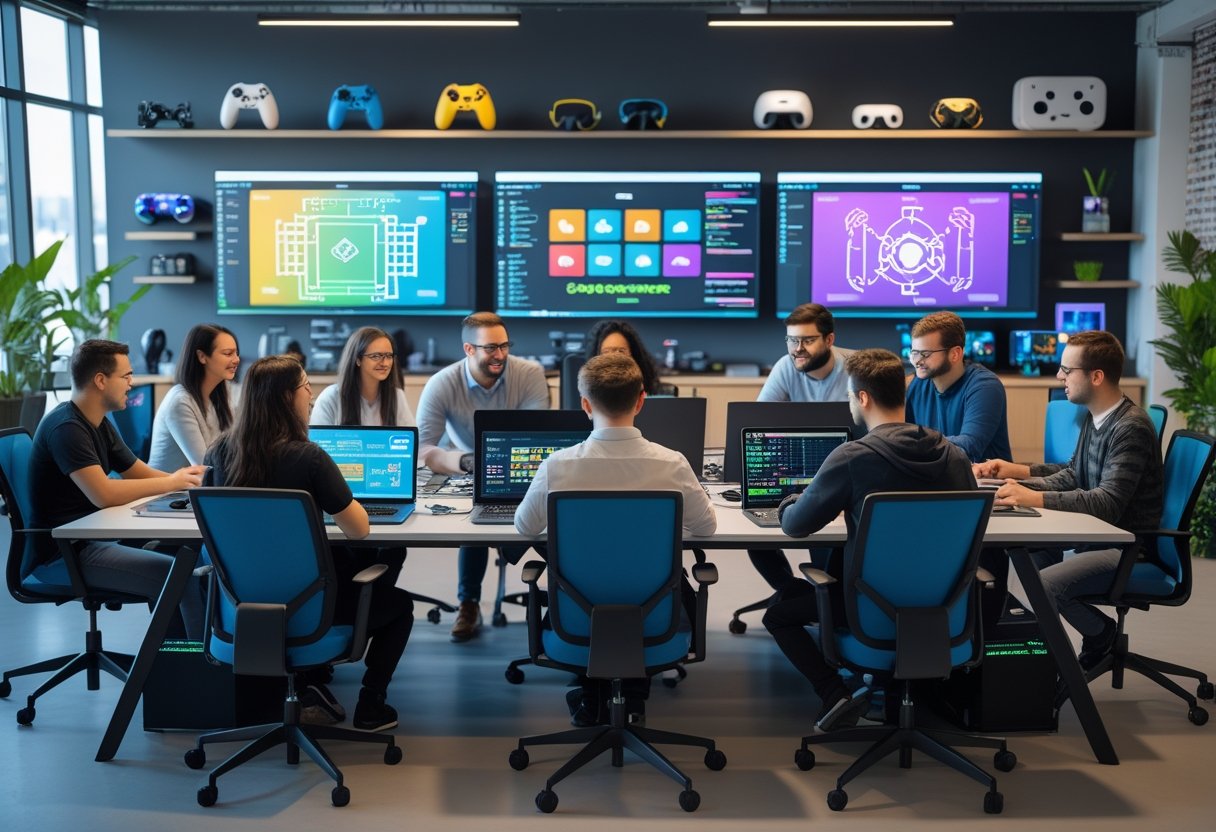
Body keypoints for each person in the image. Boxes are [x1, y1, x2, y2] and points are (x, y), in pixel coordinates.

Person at [762, 348, 976, 732]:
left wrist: (793, 498)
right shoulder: (954, 455)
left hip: (870, 609)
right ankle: (923, 697)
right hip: (944, 609)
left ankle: (834, 694)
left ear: (863, 398)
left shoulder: (853, 456)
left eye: (849, 396)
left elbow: (795, 525)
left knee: (778, 615)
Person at [203, 355, 413, 732]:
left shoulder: (217, 453)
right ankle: (371, 704)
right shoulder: (309, 457)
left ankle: (310, 682)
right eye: (305, 387)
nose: (311, 395)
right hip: (309, 612)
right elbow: (359, 529)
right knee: (398, 604)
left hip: (240, 612)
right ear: (288, 397)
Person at [515, 353, 716, 725]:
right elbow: (705, 528)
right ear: (641, 401)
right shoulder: (672, 463)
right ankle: (633, 700)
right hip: (656, 623)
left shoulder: (557, 466)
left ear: (585, 405)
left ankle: (591, 698)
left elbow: (524, 527)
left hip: (576, 623)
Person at [974, 330, 1163, 671]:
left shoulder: (1130, 428)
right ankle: (1040, 663)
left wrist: (1035, 496)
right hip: (1096, 535)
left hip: (1126, 546)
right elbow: (1075, 474)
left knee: (1043, 586)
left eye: (1067, 369)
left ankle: (1091, 641)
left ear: (1096, 376)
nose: (1060, 376)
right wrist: (1017, 481)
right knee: (1023, 556)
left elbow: (1107, 503)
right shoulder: (1097, 416)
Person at [28, 339, 207, 638]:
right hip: (64, 553)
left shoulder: (99, 423)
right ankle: (191, 660)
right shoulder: (67, 428)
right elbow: (104, 495)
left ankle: (173, 658)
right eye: (126, 376)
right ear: (100, 380)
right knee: (179, 574)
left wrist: (189, 482)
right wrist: (173, 481)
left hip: (91, 539)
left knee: (188, 556)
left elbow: (139, 473)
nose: (131, 383)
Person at [415, 312, 550, 642]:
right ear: (469, 349)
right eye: (491, 348)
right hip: (468, 468)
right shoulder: (442, 383)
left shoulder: (530, 374)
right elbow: (424, 448)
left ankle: (573, 598)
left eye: (505, 346)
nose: (500, 355)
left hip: (523, 469)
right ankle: (469, 604)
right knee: (473, 523)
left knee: (553, 525)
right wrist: (464, 461)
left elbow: (538, 435)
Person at [750, 303, 853, 596]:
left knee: (825, 540)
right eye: (792, 340)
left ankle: (828, 602)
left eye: (807, 340)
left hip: (843, 475)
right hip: (796, 470)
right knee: (756, 531)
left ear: (829, 339)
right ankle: (793, 594)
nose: (798, 349)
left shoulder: (856, 369)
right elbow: (758, 425)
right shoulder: (786, 366)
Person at [905, 310, 1011, 463]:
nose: (917, 361)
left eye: (925, 354)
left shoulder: (985, 386)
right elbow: (903, 437)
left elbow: (967, 449)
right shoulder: (917, 385)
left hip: (980, 476)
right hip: (935, 473)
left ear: (955, 354)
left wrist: (915, 445)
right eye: (914, 353)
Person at [148, 324, 240, 472]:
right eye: (228, 353)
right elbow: (204, 467)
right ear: (202, 356)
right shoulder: (180, 402)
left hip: (201, 482)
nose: (236, 360)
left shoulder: (222, 394)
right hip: (170, 486)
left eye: (236, 353)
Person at [310, 326, 415, 427]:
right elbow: (317, 438)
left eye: (389, 356)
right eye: (376, 356)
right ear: (358, 359)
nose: (385, 363)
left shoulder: (397, 396)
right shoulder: (330, 397)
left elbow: (411, 436)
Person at [584, 319, 665, 395]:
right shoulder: (587, 392)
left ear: (633, 356)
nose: (613, 359)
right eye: (606, 352)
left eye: (621, 351)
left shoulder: (646, 393)